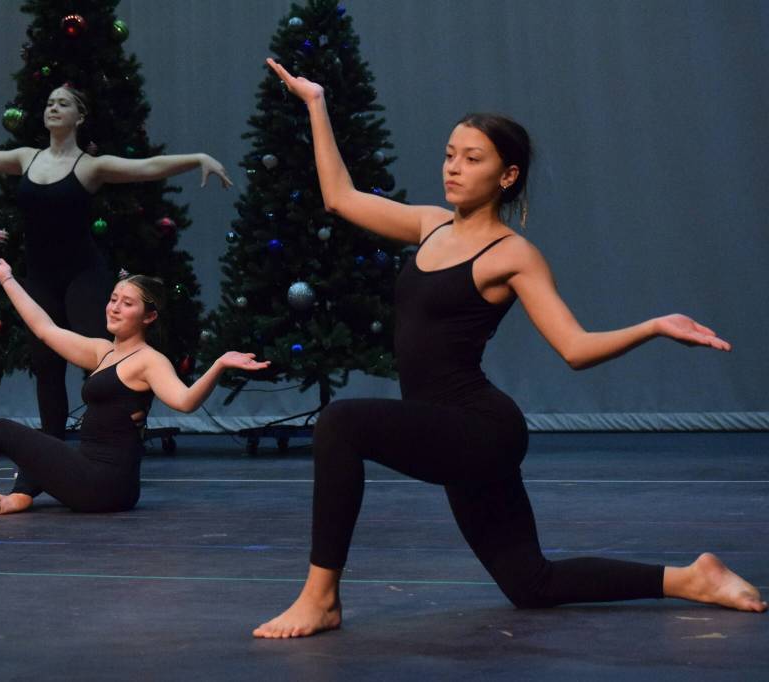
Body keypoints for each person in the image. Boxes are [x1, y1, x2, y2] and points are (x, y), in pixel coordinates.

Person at [253, 58, 766, 638]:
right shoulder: (429, 226)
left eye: (473, 159)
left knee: (340, 424)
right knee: (531, 585)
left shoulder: (511, 255)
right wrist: (317, 104)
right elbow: (340, 198)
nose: (453, 168)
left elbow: (574, 348)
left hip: (479, 429)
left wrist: (650, 326)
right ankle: (693, 577)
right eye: (450, 154)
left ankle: (321, 599)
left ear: (506, 176)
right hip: (445, 429)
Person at [0, 84, 233, 499]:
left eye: (63, 103)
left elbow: (146, 167)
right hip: (39, 276)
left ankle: (112, 448)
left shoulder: (89, 167)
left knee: (103, 359)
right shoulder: (27, 158)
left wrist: (197, 158)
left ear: (79, 117)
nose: (53, 108)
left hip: (82, 275)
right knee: (45, 367)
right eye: (49, 102)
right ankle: (36, 474)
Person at [0, 256, 268, 515]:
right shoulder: (101, 352)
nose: (114, 307)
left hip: (105, 484)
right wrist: (8, 279)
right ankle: (22, 496)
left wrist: (217, 365)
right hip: (93, 474)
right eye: (113, 298)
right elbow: (45, 329)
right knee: (48, 441)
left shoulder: (149, 360)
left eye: (127, 303)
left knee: (3, 431)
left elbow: (183, 402)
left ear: (148, 317)